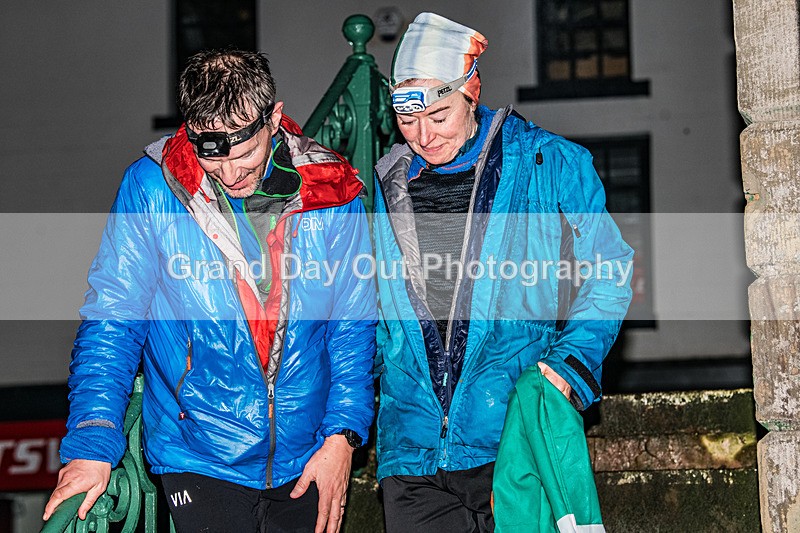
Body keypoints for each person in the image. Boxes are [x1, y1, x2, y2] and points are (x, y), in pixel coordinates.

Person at [43, 49, 377, 533]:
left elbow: (351, 326)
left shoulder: (332, 189)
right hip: (198, 452)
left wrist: (342, 437)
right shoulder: (152, 188)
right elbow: (114, 318)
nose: (231, 175)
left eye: (245, 155)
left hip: (307, 452)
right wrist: (93, 442)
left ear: (274, 119)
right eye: (213, 157)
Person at [372, 13, 633, 532]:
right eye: (407, 119)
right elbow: (371, 316)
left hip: (509, 439)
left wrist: (571, 364)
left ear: (471, 91)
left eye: (439, 115)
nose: (424, 135)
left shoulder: (550, 163)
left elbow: (610, 270)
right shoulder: (384, 184)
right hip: (411, 457)